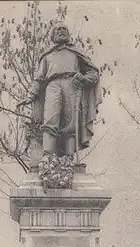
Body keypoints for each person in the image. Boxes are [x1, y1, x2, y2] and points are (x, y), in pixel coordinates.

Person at [19, 21, 102, 158]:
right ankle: (47, 157)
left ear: (68, 34)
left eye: (64, 29)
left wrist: (84, 78)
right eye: (57, 29)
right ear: (53, 35)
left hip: (72, 85)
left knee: (71, 122)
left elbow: (93, 73)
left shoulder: (76, 53)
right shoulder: (47, 55)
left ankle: (68, 159)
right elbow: (39, 78)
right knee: (50, 119)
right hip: (52, 85)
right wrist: (31, 95)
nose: (61, 31)